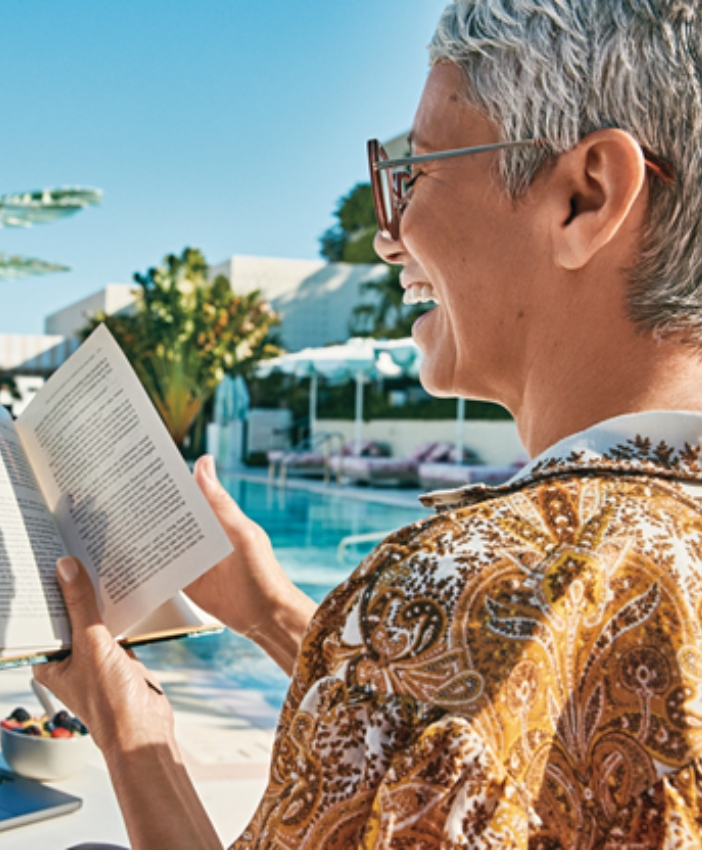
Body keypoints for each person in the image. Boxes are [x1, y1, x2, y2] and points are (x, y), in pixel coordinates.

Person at [35, 0, 702, 845]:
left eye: (415, 174)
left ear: (584, 196)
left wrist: (132, 735)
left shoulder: (472, 581)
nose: (389, 240)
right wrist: (272, 612)